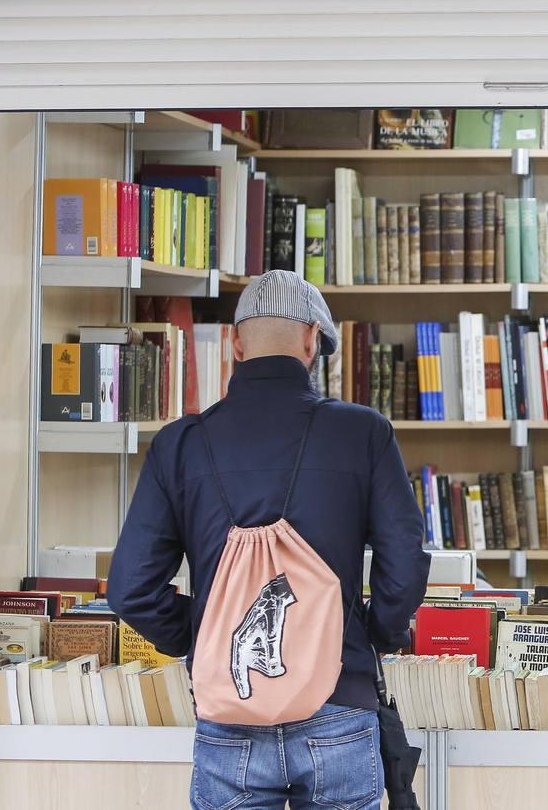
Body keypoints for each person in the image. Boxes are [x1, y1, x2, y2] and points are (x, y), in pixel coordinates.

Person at [108, 270, 430, 810]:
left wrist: (206, 629)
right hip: (339, 698)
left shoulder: (179, 445)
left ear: (235, 344)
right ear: (311, 340)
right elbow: (404, 563)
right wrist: (371, 631)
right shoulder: (363, 432)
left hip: (230, 711)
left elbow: (130, 589)